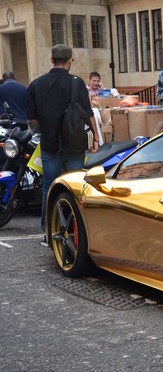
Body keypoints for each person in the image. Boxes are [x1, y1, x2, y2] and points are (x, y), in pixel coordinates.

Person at [27, 44, 99, 246]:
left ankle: (48, 232)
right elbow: (88, 114)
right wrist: (95, 139)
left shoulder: (36, 85)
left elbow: (33, 121)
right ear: (70, 61)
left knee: (49, 187)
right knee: (75, 188)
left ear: (51, 60)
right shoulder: (77, 84)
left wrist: (49, 127)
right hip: (75, 144)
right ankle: (75, 230)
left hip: (49, 144)